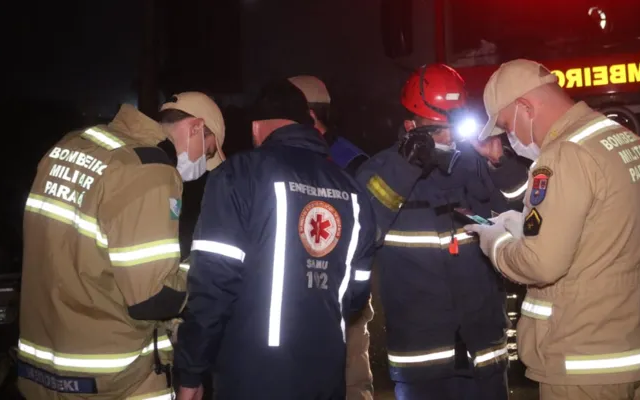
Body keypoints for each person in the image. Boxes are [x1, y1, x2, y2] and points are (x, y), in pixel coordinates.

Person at [468, 59, 640, 400]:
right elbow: (604, 237)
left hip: (585, 359)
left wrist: (496, 242)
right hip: (638, 346)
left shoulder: (563, 156)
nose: (510, 138)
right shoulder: (622, 140)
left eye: (506, 125)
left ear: (525, 107)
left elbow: (541, 264)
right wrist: (528, 230)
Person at [174, 79, 378, 400]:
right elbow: (356, 292)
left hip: (252, 378)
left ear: (257, 128)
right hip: (326, 375)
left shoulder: (239, 175)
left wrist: (191, 369)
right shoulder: (352, 191)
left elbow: (213, 284)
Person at [17, 92, 225, 399]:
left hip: (41, 372)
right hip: (115, 378)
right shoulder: (150, 169)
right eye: (207, 152)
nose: (202, 166)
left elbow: (86, 259)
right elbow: (152, 299)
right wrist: (203, 267)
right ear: (196, 127)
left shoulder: (72, 145)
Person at [355, 63, 528, 400]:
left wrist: (499, 160)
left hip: (484, 354)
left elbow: (526, 210)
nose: (448, 137)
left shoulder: (477, 162)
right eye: (436, 129)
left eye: (452, 125)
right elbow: (364, 230)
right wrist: (408, 165)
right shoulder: (381, 170)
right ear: (410, 126)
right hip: (423, 362)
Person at [289, 74, 375, 400]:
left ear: (308, 115)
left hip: (343, 294)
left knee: (350, 380)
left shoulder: (350, 161)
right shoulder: (349, 157)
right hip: (306, 289)